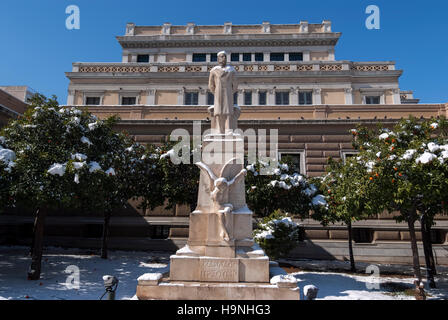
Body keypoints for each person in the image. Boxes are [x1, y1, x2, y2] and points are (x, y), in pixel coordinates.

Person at [208, 51, 238, 134]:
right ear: (218, 58)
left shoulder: (231, 70)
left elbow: (235, 84)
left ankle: (228, 129)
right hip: (218, 92)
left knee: (228, 111)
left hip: (228, 92)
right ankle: (219, 129)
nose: (223, 58)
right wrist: (216, 92)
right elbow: (211, 85)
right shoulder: (214, 70)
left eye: (224, 56)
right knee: (218, 111)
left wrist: (230, 92)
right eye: (221, 56)